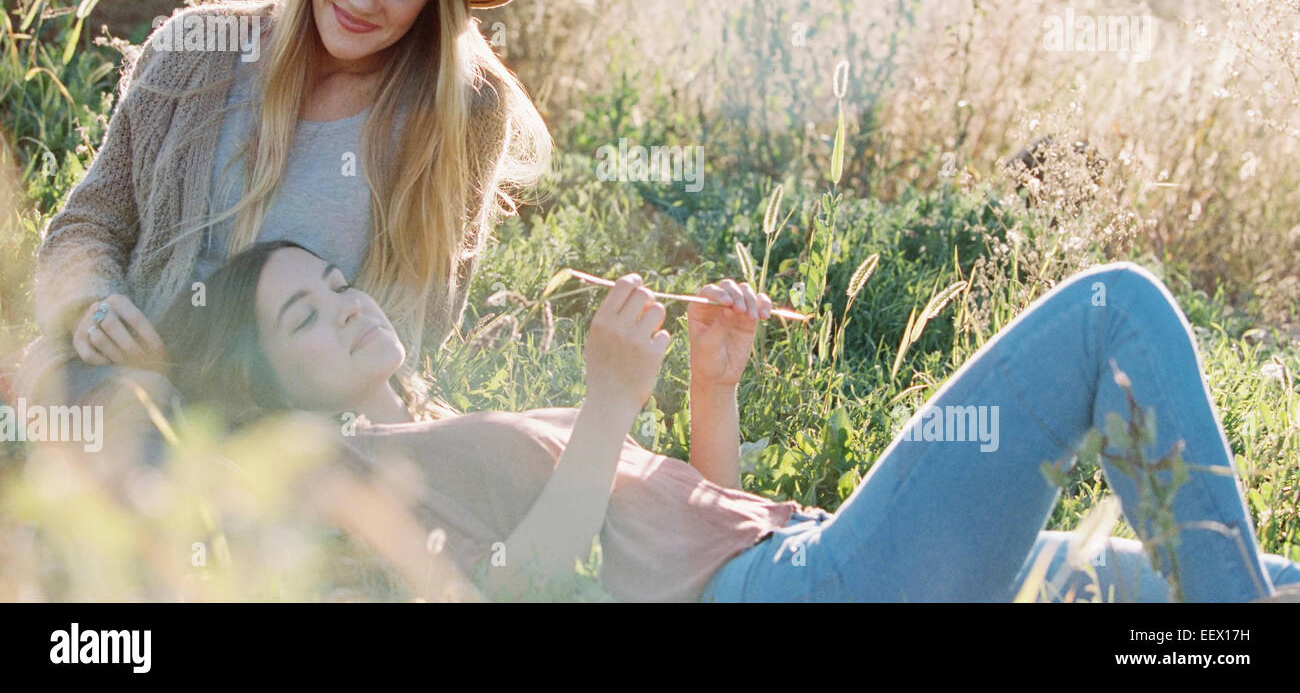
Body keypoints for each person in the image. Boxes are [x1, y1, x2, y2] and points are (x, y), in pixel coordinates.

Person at [154, 238, 1300, 602]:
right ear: (266, 385)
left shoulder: (434, 421)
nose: (347, 307)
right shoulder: (346, 467)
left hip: (804, 555)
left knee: (1263, 580)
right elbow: (526, 586)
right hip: (808, 588)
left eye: (335, 282)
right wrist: (606, 399)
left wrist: (711, 388)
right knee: (1111, 308)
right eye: (304, 315)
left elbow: (692, 535)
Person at [10, 0, 550, 410]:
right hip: (130, 380)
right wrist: (93, 304)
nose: (364, 0)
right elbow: (90, 221)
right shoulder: (196, 48)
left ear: (433, 4)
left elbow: (422, 317)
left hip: (303, 417)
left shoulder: (463, 111)